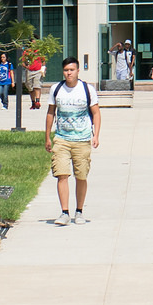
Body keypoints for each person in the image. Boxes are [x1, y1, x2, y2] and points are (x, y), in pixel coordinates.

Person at [43, 58, 102, 225]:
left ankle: (79, 211)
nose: (69, 73)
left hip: (82, 140)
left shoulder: (87, 89)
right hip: (61, 139)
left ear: (78, 71)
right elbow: (50, 113)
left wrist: (96, 135)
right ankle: (64, 212)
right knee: (62, 174)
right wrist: (47, 137)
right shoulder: (56, 89)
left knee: (81, 176)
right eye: (66, 70)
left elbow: (96, 113)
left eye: (72, 70)